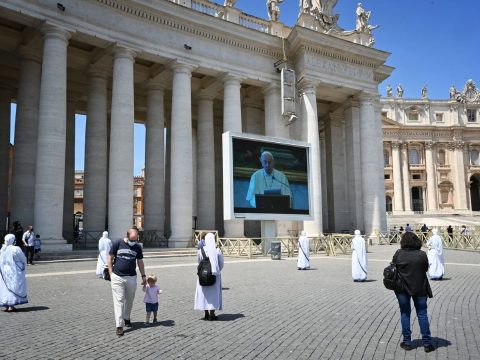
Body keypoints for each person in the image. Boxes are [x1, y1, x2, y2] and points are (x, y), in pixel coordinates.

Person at [392, 232, 434, 353]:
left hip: (402, 289)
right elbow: (426, 269)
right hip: (420, 287)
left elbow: (394, 269)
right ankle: (427, 343)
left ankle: (407, 342)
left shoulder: (398, 254)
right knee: (422, 314)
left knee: (405, 313)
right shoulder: (422, 254)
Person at [108, 228, 146, 337]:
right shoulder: (117, 243)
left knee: (130, 299)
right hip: (117, 276)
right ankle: (119, 326)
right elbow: (110, 258)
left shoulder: (137, 247)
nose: (134, 241)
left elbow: (140, 262)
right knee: (119, 300)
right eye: (132, 239)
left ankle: (127, 317)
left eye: (136, 239)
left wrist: (143, 276)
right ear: (127, 236)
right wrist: (111, 273)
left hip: (131, 277)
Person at [194, 233, 224, 321]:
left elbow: (199, 262)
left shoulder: (201, 250)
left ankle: (206, 314)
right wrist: (216, 270)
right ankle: (212, 314)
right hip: (214, 276)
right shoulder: (217, 250)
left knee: (204, 295)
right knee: (213, 295)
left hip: (203, 276)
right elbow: (221, 264)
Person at [0, 234, 28, 312]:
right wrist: (23, 264)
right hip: (14, 269)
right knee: (14, 285)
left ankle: (6, 304)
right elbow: (22, 258)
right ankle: (11, 306)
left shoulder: (3, 249)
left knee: (5, 286)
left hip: (5, 270)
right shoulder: (16, 248)